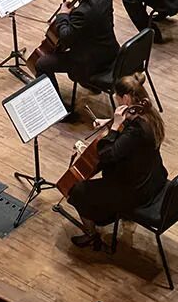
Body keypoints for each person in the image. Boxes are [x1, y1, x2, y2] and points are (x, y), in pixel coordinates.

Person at [62, 75, 167, 251]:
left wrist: (113, 127)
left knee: (76, 189)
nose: (116, 102)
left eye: (117, 98)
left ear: (125, 99)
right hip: (154, 179)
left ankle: (91, 233)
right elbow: (129, 132)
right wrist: (111, 122)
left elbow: (107, 155)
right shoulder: (148, 115)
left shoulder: (135, 132)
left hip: (137, 192)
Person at [30, 0, 118, 120]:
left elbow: (65, 37)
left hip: (91, 63)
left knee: (42, 63)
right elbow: (89, 23)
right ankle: (90, 85)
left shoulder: (82, 13)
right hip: (110, 52)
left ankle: (57, 110)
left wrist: (63, 16)